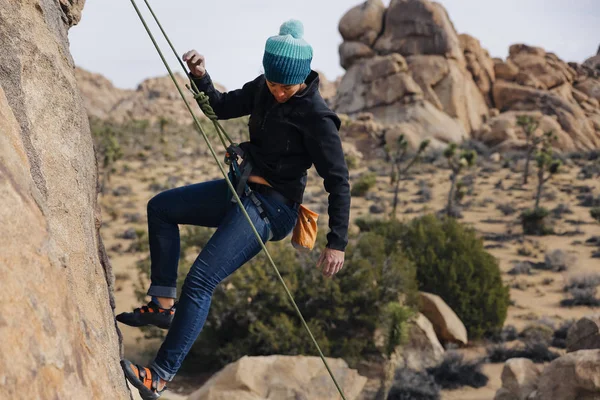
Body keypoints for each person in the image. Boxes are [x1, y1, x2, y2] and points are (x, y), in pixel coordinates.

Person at [117, 19, 350, 400]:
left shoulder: (318, 119)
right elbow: (220, 108)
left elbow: (338, 182)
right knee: (160, 208)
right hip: (241, 189)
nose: (277, 92)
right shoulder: (263, 87)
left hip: (274, 208)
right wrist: (201, 76)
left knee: (200, 281)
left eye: (285, 87)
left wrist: (336, 242)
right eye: (273, 83)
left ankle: (158, 376)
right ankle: (161, 304)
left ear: (302, 79)